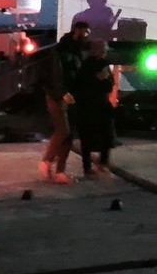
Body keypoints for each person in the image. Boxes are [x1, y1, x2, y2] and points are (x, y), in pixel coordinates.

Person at [70, 36, 120, 177]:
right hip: (90, 105)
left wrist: (102, 81)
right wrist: (99, 80)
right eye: (103, 50)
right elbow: (87, 85)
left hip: (97, 104)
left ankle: (100, 162)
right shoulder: (89, 66)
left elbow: (108, 84)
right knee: (90, 136)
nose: (105, 52)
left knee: (104, 134)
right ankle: (91, 166)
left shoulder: (95, 64)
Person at [36, 24, 77, 184]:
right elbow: (56, 75)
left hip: (70, 96)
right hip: (58, 96)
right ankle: (46, 162)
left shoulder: (74, 51)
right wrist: (63, 93)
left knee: (69, 134)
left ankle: (60, 171)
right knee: (63, 130)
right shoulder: (60, 52)